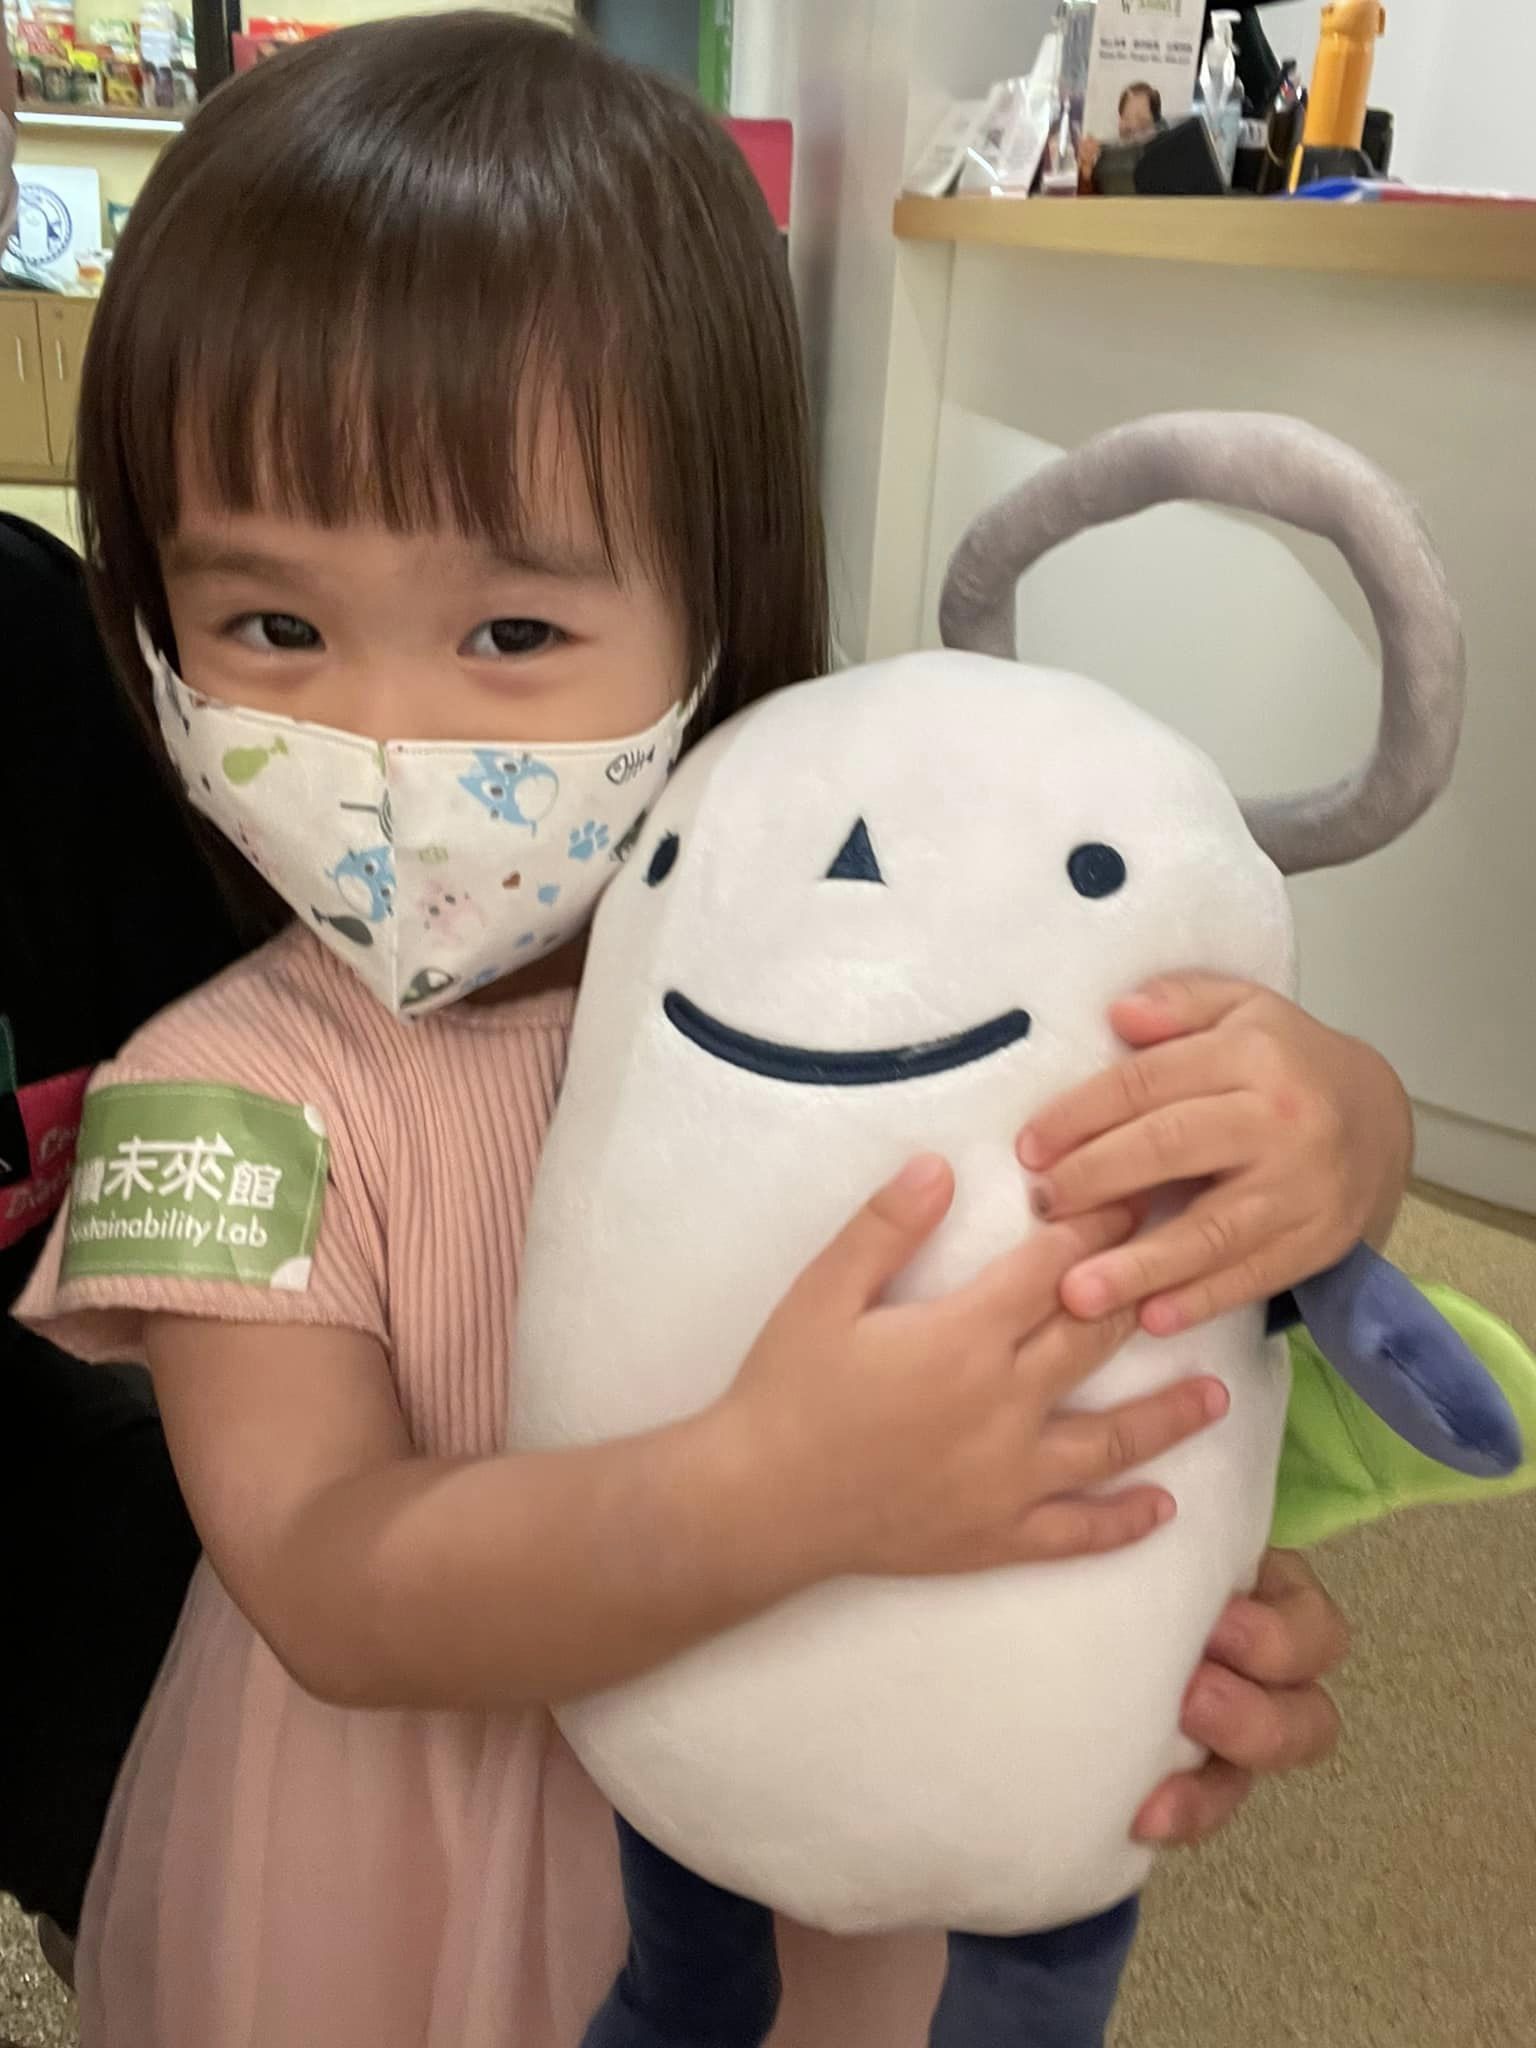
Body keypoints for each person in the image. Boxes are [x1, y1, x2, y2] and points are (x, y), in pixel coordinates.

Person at [14, 17, 1367, 2046]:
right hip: (380, 1881)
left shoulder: (891, 989)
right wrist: (778, 1488)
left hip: (814, 1814)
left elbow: (1191, 1130)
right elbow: (329, 1575)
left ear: (715, 602)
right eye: (274, 627)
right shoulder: (219, 1097)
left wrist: (1327, 1130)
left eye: (514, 631)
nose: (385, 732)